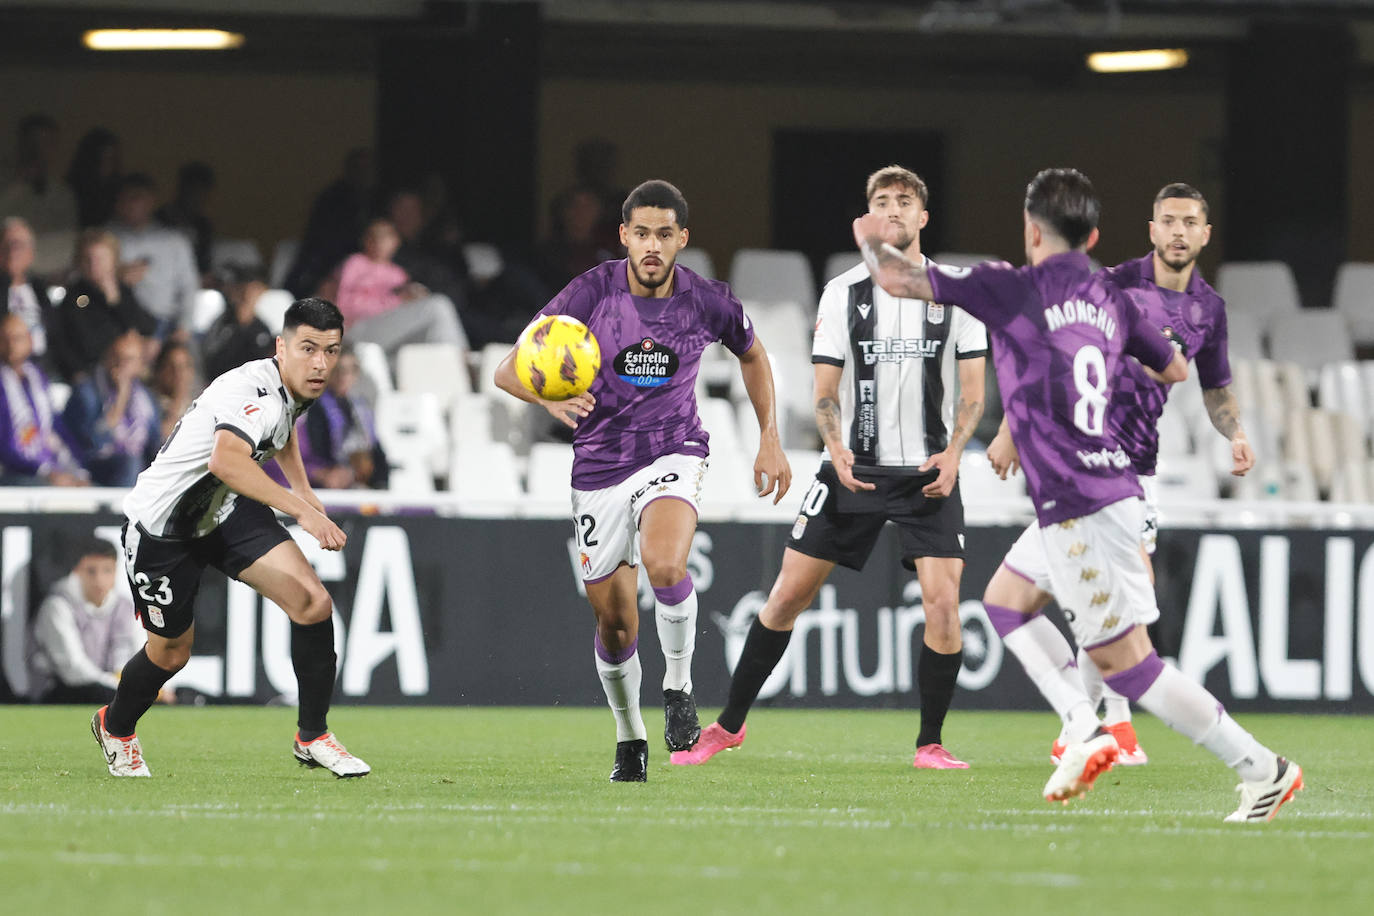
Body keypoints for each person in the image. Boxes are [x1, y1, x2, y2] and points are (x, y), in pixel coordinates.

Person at [852, 168, 1303, 822]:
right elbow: (1176, 366)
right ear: (1093, 235)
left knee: (1133, 670)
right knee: (1006, 602)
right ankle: (1081, 726)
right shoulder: (1111, 296)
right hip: (1109, 480)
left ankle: (1261, 768)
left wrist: (870, 237)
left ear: (1031, 228)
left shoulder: (1009, 285)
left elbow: (898, 278)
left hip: (1080, 501)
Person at [672, 166, 988, 770]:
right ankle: (728, 727)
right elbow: (825, 388)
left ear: (924, 217)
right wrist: (835, 446)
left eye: (904, 202)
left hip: (928, 471)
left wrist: (954, 452)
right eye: (881, 202)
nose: (893, 211)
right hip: (852, 469)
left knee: (944, 606)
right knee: (787, 596)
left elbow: (972, 389)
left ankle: (930, 743)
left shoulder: (957, 291)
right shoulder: (845, 291)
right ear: (867, 216)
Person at [494, 179, 791, 782]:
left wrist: (769, 438)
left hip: (673, 452)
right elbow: (507, 368)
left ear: (682, 239)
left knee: (666, 564)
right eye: (641, 233)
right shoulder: (591, 291)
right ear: (624, 236)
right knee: (616, 622)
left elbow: (754, 356)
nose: (652, 245)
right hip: (599, 469)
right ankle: (631, 737)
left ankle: (678, 689)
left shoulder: (709, 301)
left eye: (664, 234)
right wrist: (548, 400)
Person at [988, 182, 1254, 768]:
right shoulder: (1115, 284)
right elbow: (1051, 351)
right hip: (1082, 463)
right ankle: (1104, 727)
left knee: (1064, 605)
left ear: (1205, 234)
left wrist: (1233, 432)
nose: (1179, 231)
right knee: (1069, 604)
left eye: (1190, 221)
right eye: (1168, 220)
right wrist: (1009, 430)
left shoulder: (1209, 310)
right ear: (1152, 230)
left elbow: (1215, 388)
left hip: (1134, 473)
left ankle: (1099, 728)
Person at [90, 297, 369, 778]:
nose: (321, 362)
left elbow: (284, 427)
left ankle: (313, 737)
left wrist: (302, 486)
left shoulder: (295, 383)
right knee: (171, 652)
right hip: (163, 528)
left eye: (331, 350)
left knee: (312, 603)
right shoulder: (250, 389)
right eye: (309, 348)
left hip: (223, 510)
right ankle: (114, 726)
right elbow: (226, 460)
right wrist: (300, 509)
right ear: (281, 347)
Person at [28, 538, 145, 704]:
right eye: (91, 571)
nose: (99, 579)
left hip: (113, 690)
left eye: (107, 571)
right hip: (63, 693)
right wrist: (119, 685)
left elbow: (138, 654)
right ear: (77, 572)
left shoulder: (126, 607)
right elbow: (73, 669)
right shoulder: (58, 606)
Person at [332, 218, 469, 358]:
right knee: (438, 305)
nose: (380, 242)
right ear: (366, 240)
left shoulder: (398, 273)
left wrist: (413, 299)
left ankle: (458, 365)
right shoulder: (356, 263)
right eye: (375, 237)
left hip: (389, 333)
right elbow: (344, 306)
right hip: (357, 330)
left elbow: (401, 305)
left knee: (435, 320)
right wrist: (396, 301)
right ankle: (463, 362)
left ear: (395, 242)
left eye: (386, 237)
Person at [47, 229, 158, 382]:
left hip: (129, 367)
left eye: (100, 258)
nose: (94, 265)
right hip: (94, 372)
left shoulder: (122, 291)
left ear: (113, 260)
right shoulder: (75, 297)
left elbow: (146, 326)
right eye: (88, 259)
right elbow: (84, 344)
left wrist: (114, 300)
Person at [61, 330, 161, 487]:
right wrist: (120, 400)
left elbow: (155, 443)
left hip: (137, 466)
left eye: (129, 359)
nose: (122, 364)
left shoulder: (146, 398)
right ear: (107, 359)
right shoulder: (86, 392)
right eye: (117, 357)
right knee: (130, 462)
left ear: (140, 365)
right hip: (94, 466)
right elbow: (92, 443)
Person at [107, 173, 200, 339]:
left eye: (136, 198)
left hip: (166, 325)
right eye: (124, 199)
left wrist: (184, 327)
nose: (130, 204)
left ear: (152, 201)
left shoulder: (174, 241)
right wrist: (116, 277)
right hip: (118, 327)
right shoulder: (105, 239)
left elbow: (189, 286)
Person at [0, 313, 88, 486]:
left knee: (88, 487)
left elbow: (55, 426)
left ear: (30, 341)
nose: (11, 345)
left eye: (17, 338)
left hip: (46, 464)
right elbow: (4, 445)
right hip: (13, 470)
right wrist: (46, 474)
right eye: (5, 339)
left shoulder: (37, 376)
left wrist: (78, 470)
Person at [284, 147, 376, 298]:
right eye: (358, 168)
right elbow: (321, 243)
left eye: (367, 168)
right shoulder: (332, 198)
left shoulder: (375, 199)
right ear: (348, 170)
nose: (363, 174)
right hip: (325, 266)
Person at [298, 345, 388, 489]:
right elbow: (304, 456)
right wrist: (324, 474)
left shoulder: (360, 408)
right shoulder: (309, 407)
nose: (344, 376)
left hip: (357, 484)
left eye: (352, 370)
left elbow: (376, 452)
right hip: (321, 487)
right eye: (337, 369)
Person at [0, 113, 78, 233]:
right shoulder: (6, 189)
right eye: (34, 143)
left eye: (47, 143)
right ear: (22, 145)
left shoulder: (63, 195)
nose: (40, 150)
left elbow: (68, 233)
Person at [201, 263, 275, 382]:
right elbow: (210, 361)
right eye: (242, 289)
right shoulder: (221, 325)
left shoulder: (262, 329)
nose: (247, 294)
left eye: (253, 289)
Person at [2, 216, 56, 363]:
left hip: (42, 364)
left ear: (31, 253)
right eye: (7, 245)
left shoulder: (39, 287)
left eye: (18, 245)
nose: (12, 252)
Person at [156, 161, 217, 280]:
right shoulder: (158, 221)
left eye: (203, 195)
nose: (198, 200)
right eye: (194, 192)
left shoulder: (203, 226)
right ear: (182, 190)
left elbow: (204, 265)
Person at [64, 127, 122, 229]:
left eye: (111, 159)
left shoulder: (120, 191)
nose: (106, 165)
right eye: (102, 159)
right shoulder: (70, 192)